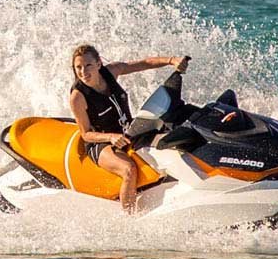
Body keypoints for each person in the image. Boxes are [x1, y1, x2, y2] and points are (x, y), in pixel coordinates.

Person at [69, 44, 190, 213]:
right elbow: (86, 134)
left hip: (128, 133)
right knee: (129, 170)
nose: (83, 72)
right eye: (78, 67)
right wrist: (110, 137)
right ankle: (128, 217)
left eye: (88, 65)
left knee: (173, 141)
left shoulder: (111, 72)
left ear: (98, 64)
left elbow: (144, 63)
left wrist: (171, 61)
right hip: (101, 144)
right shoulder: (78, 97)